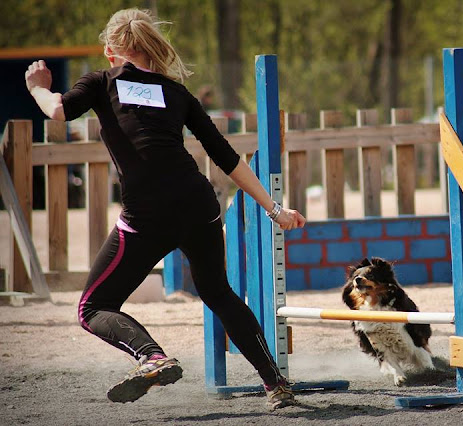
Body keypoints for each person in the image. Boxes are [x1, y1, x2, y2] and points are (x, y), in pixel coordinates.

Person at [24, 8, 305, 410]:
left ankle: (152, 357)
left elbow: (57, 111)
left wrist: (38, 87)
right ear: (153, 48)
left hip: (148, 213)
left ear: (110, 52)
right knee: (219, 293)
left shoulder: (102, 81)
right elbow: (226, 157)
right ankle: (276, 384)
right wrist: (275, 209)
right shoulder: (176, 92)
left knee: (93, 307)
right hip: (198, 204)